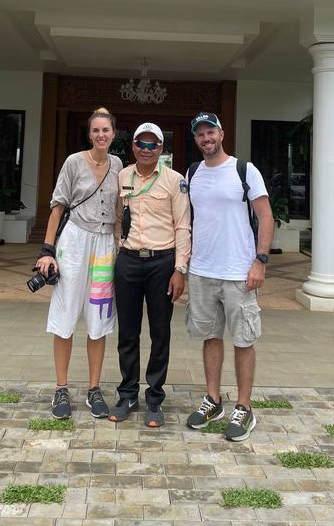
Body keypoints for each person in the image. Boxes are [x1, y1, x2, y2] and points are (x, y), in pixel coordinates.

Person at [185, 112, 274, 442]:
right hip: (203, 270)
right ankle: (213, 400)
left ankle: (244, 406)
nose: (206, 139)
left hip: (238, 272)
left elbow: (266, 216)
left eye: (211, 132)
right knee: (210, 337)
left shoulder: (244, 170)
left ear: (221, 134)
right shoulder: (193, 174)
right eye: (200, 135)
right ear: (196, 139)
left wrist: (260, 261)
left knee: (243, 339)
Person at [35, 107, 123, 420]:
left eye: (106, 130)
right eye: (96, 130)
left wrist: (119, 246)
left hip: (103, 246)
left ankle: (94, 388)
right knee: (66, 311)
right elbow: (58, 207)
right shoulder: (74, 162)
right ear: (90, 134)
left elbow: (118, 211)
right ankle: (61, 388)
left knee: (99, 317)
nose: (101, 135)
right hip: (74, 242)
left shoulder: (118, 166)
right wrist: (47, 251)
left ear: (113, 133)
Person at [109, 122, 191, 428]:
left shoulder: (175, 181)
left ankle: (155, 397)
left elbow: (183, 225)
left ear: (161, 148)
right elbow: (118, 218)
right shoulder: (122, 177)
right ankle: (128, 394)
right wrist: (121, 250)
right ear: (132, 147)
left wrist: (180, 269)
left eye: (152, 145)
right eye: (140, 144)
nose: (146, 150)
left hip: (162, 264)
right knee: (127, 333)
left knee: (160, 332)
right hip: (129, 261)